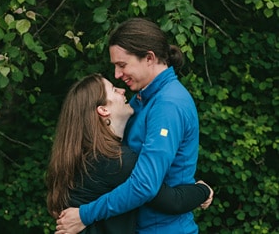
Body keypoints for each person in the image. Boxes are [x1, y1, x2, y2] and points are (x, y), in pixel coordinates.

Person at [57, 18, 205, 233]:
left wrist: (85, 214)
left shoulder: (168, 105)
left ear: (149, 58)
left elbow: (144, 185)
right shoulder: (140, 101)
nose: (117, 75)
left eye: (122, 65)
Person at [47, 74, 213, 234]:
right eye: (113, 90)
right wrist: (203, 190)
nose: (123, 90)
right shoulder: (115, 161)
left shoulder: (87, 154)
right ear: (103, 110)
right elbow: (175, 202)